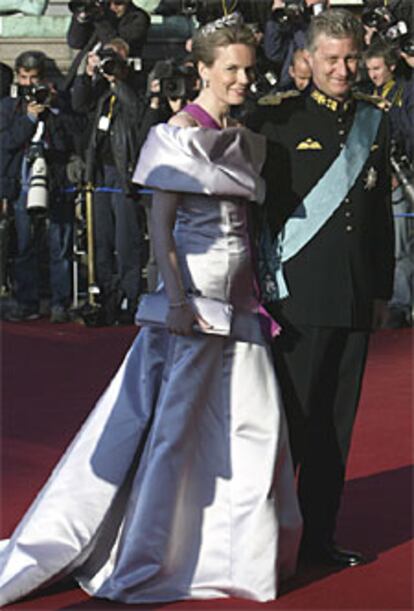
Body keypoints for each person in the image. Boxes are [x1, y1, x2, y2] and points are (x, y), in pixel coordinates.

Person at [0, 15, 302, 606]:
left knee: (249, 429)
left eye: (249, 67)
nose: (245, 78)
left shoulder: (238, 131)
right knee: (174, 434)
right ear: (205, 70)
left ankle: (232, 552)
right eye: (233, 68)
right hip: (192, 302)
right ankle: (151, 551)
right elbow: (158, 227)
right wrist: (179, 302)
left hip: (241, 302)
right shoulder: (174, 133)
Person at [249, 9, 394, 567]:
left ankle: (317, 539)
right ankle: (269, 543)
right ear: (306, 59)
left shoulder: (372, 121)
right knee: (292, 424)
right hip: (298, 298)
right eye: (331, 59)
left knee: (336, 427)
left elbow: (378, 216)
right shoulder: (275, 120)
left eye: (351, 57)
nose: (343, 69)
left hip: (356, 298)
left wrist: (380, 290)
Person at [71, 38, 148, 325]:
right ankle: (103, 297)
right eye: (107, 59)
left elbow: (138, 114)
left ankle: (128, 297)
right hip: (98, 172)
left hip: (122, 173)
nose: (110, 64)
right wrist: (87, 72)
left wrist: (118, 81)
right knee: (100, 240)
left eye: (116, 59)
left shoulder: (134, 85)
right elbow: (78, 103)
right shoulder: (98, 90)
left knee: (126, 240)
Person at [0, 51, 74, 323]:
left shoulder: (59, 105)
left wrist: (53, 109)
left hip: (54, 180)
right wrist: (29, 118)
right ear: (17, 78)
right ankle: (26, 301)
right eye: (24, 78)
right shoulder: (9, 107)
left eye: (34, 79)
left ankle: (59, 303)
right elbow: (6, 142)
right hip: (22, 180)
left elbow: (69, 140)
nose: (30, 85)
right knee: (25, 246)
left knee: (59, 244)